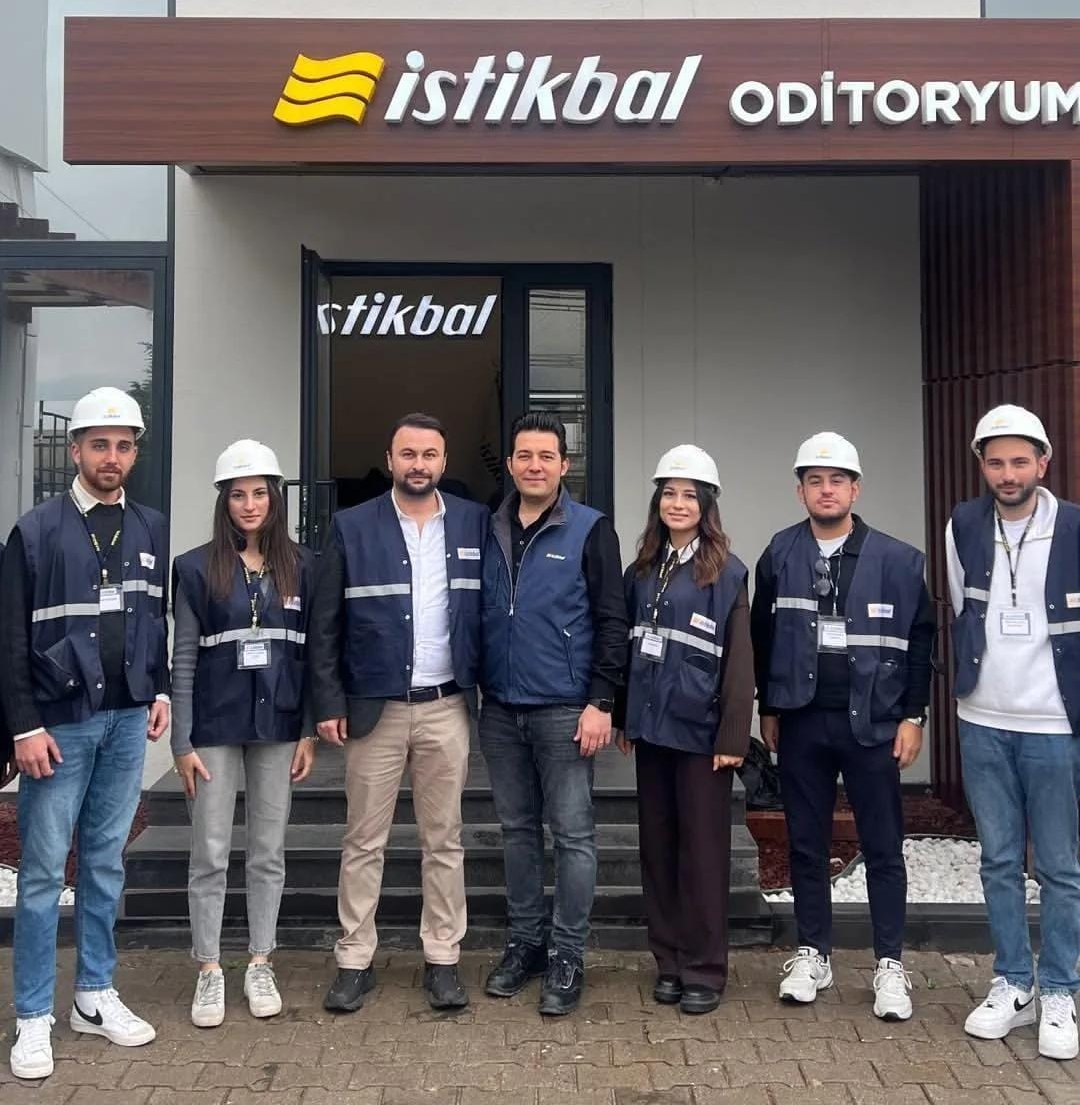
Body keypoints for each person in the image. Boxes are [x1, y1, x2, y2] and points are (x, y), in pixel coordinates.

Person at [0, 387, 170, 1080]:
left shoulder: (151, 526)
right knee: (44, 873)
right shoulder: (35, 530)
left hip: (127, 720)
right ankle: (33, 1013)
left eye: (124, 445)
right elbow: (10, 640)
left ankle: (94, 995)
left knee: (104, 863)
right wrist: (24, 725)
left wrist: (159, 687)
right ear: (76, 451)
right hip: (58, 725)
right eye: (100, 444)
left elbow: (153, 618)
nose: (112, 456)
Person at [750, 431, 935, 1021]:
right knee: (806, 842)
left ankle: (890, 964)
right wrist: (768, 707)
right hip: (802, 720)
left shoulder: (899, 560)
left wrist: (913, 715)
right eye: (814, 480)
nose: (825, 490)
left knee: (882, 846)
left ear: (855, 489)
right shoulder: (780, 553)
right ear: (800, 490)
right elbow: (761, 636)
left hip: (873, 723)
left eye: (836, 480)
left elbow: (921, 641)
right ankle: (813, 953)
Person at [309, 413, 489, 1013]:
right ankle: (354, 960)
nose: (418, 464)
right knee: (364, 840)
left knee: (445, 840)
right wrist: (328, 701)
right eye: (408, 454)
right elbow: (325, 623)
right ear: (390, 460)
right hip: (374, 708)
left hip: (446, 705)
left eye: (429, 454)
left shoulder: (472, 521)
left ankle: (443, 958)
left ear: (444, 461)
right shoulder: (352, 526)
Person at [479, 411, 628, 1016]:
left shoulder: (591, 529)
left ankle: (568, 953)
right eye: (525, 456)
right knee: (517, 832)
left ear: (565, 465)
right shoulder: (487, 528)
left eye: (546, 456)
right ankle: (526, 944)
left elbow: (613, 621)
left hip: (566, 709)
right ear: (511, 464)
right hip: (500, 708)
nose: (534, 466)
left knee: (572, 835)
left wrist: (602, 701)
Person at [947, 404, 1080, 1060]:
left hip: (1054, 723)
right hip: (983, 719)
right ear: (982, 465)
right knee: (998, 860)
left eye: (1019, 461)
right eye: (996, 462)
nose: (1008, 474)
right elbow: (960, 605)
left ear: (1043, 463)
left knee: (1059, 865)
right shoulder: (964, 523)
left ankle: (1059, 987)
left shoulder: (1075, 527)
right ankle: (1013, 982)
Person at [171, 440, 317, 1029]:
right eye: (238, 494)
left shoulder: (303, 566)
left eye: (260, 493)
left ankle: (260, 960)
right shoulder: (194, 567)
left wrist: (307, 731)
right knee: (209, 851)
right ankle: (209, 967)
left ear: (275, 499)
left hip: (279, 723)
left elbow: (311, 656)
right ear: (223, 501)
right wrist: (181, 742)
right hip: (213, 725)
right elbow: (183, 657)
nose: (250, 504)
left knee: (267, 850)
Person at [614, 445, 754, 1015]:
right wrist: (625, 715)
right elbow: (627, 647)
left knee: (702, 854)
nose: (677, 503)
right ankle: (668, 962)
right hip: (653, 731)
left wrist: (733, 736)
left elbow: (739, 660)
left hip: (701, 736)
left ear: (707, 505)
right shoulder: (641, 570)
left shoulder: (727, 572)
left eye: (689, 495)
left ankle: (704, 968)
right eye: (669, 493)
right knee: (658, 849)